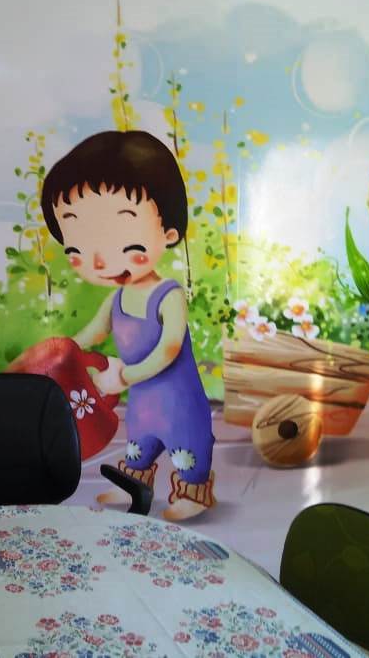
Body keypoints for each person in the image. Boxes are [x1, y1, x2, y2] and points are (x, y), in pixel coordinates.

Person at [41, 130, 216, 521]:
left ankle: (194, 492)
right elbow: (92, 334)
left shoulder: (168, 295)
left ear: (168, 233)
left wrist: (125, 375)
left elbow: (169, 348)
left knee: (187, 448)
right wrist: (61, 351)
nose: (99, 261)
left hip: (179, 401)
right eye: (78, 248)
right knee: (138, 445)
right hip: (142, 402)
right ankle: (134, 485)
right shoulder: (116, 298)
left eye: (121, 240)